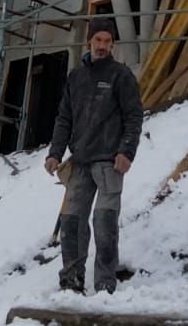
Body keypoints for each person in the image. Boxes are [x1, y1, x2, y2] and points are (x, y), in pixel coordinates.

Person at [44, 18, 143, 294]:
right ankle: (71, 280)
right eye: (98, 40)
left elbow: (134, 116)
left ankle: (105, 283)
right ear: (89, 41)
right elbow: (64, 118)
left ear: (112, 44)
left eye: (107, 41)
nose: (102, 45)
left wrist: (126, 151)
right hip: (80, 162)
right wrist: (55, 153)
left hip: (110, 162)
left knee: (104, 221)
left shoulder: (121, 75)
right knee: (72, 221)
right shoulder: (76, 77)